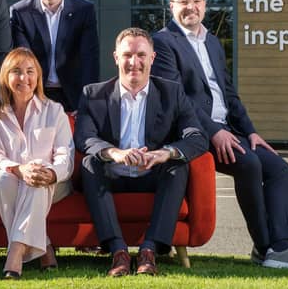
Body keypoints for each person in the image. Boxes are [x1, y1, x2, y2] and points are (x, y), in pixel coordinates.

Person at [151, 0, 288, 269]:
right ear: (171, 6)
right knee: (249, 164)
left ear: (205, 3)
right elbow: (179, 99)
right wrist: (214, 132)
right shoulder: (162, 42)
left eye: (197, 0)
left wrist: (250, 131)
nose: (191, 7)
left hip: (231, 129)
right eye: (184, 1)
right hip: (193, 132)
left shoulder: (212, 41)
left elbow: (228, 93)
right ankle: (266, 249)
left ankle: (280, 244)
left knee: (279, 168)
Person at [74, 27, 207, 277]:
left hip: (152, 175)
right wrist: (114, 153)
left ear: (152, 58)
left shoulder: (172, 92)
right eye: (127, 55)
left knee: (178, 165)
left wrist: (165, 153)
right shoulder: (93, 94)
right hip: (112, 175)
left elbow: (197, 137)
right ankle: (118, 251)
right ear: (116, 57)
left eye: (141, 55)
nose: (134, 62)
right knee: (90, 164)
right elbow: (84, 137)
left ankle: (149, 250)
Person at [0, 47, 74, 279]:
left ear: (39, 76)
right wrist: (19, 170)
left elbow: (66, 156)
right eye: (17, 71)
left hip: (52, 184)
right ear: (6, 77)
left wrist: (50, 173)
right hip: (5, 184)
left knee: (37, 180)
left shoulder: (54, 111)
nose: (24, 78)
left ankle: (15, 254)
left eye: (30, 71)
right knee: (4, 179)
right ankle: (44, 245)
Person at [10, 0, 99, 112]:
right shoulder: (20, 12)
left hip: (72, 95)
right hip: (36, 93)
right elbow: (23, 61)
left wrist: (86, 103)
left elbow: (89, 60)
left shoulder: (84, 10)